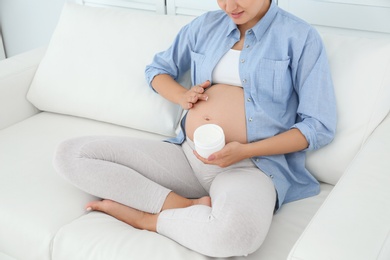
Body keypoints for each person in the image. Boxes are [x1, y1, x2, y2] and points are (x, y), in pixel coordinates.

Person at [54, 0, 337, 257]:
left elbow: (318, 126)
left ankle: (147, 219)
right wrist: (181, 95)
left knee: (236, 236)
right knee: (71, 154)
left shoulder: (299, 37)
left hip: (250, 167)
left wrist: (245, 151)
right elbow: (157, 70)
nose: (229, 5)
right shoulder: (205, 26)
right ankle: (185, 207)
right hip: (186, 156)